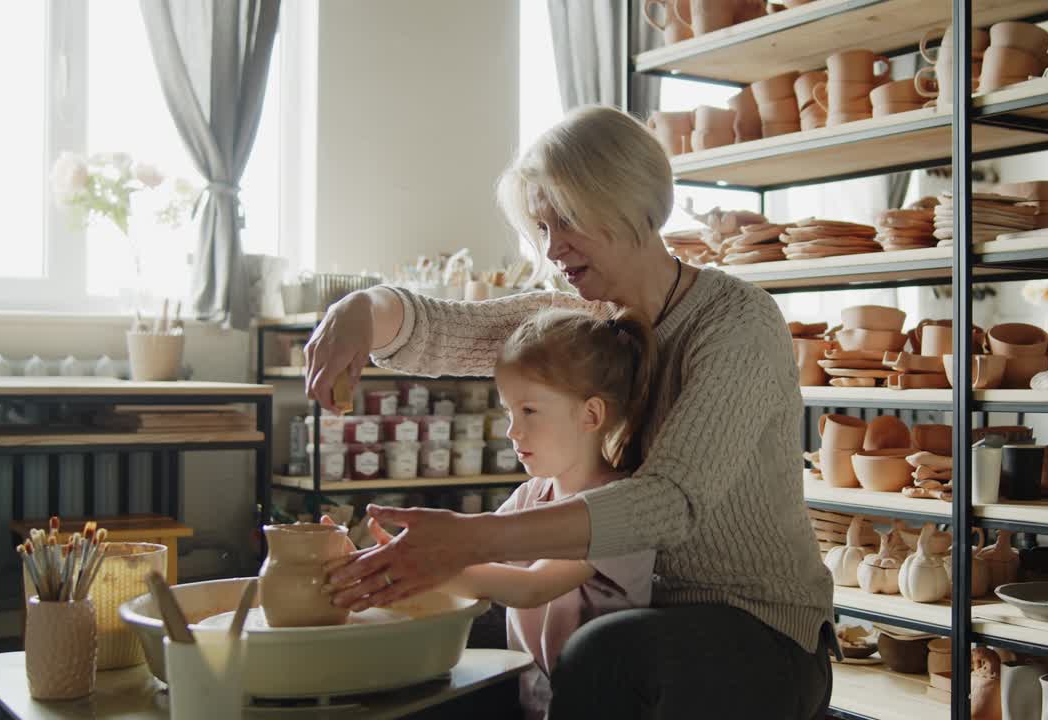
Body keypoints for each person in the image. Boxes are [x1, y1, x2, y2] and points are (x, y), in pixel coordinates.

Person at [306, 105, 834, 719]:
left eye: (567, 222)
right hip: (621, 608)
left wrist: (471, 541)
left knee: (606, 655)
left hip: (761, 633)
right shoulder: (583, 318)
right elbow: (445, 328)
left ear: (630, 202)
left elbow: (671, 501)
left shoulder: (738, 323)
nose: (553, 247)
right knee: (439, 633)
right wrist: (360, 309)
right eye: (542, 226)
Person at [436, 307, 657, 719]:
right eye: (508, 412)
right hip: (533, 706)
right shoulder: (530, 497)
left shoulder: (623, 506)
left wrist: (419, 568)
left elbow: (533, 586)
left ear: (591, 415)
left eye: (529, 411)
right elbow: (466, 553)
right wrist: (378, 553)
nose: (512, 431)